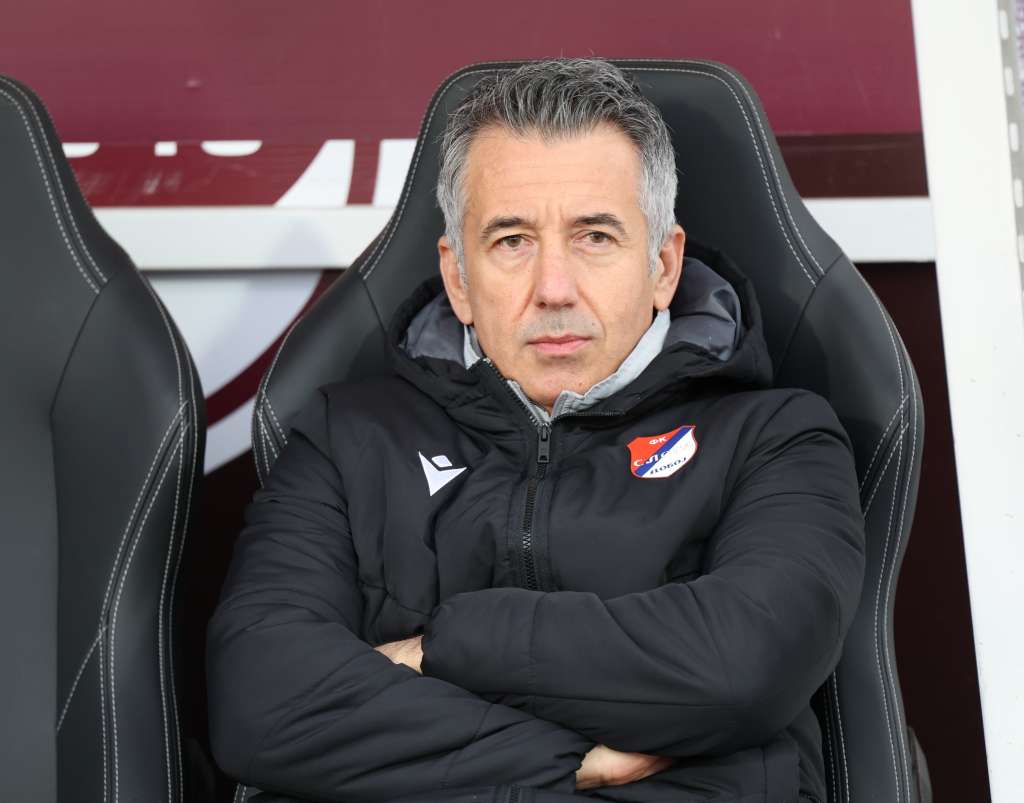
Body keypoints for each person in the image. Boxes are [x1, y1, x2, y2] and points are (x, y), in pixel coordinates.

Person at [206, 58, 865, 803]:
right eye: (512, 241)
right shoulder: (346, 438)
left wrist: (439, 649)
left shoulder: (778, 438)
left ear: (663, 266)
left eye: (595, 237)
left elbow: (742, 670)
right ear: (458, 278)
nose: (553, 288)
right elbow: (261, 703)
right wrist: (574, 761)